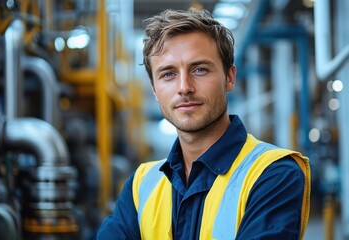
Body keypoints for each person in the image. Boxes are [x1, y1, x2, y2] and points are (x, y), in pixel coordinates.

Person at [96, 8, 311, 240]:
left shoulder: (272, 174)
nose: (184, 87)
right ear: (154, 90)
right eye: (168, 74)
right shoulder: (141, 185)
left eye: (199, 69)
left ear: (229, 78)